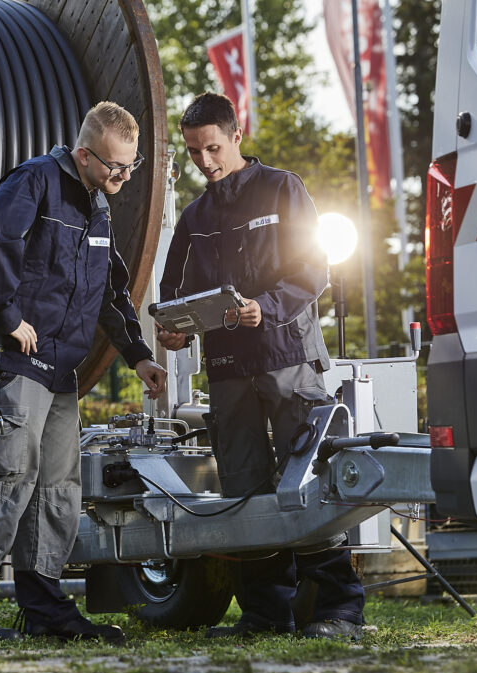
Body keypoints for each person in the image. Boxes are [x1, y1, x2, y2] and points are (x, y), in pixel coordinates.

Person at [0, 101, 168, 645]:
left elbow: (110, 293)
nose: (124, 177)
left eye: (130, 167)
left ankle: (44, 607)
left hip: (60, 370)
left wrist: (139, 356)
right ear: (84, 155)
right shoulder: (36, 180)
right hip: (13, 359)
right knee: (9, 473)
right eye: (115, 167)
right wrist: (9, 315)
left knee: (59, 487)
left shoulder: (97, 204)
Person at [156, 92, 365, 640]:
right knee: (244, 490)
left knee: (311, 482)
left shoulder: (282, 188)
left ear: (237, 135)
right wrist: (175, 329)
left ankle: (339, 612)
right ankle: (263, 615)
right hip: (226, 372)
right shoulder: (194, 217)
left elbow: (314, 268)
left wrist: (264, 308)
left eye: (213, 147)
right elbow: (172, 292)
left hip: (288, 361)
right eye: (195, 151)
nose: (205, 161)